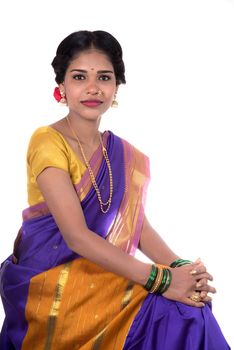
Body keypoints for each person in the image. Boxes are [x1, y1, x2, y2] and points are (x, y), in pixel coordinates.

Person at [0, 30, 230, 350]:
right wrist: (162, 280)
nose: (93, 88)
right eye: (79, 77)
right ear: (61, 87)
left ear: (116, 87)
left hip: (99, 272)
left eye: (104, 77)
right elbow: (76, 236)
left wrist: (182, 269)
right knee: (177, 311)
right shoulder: (47, 141)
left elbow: (139, 227)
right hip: (53, 283)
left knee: (192, 306)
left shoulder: (119, 153)